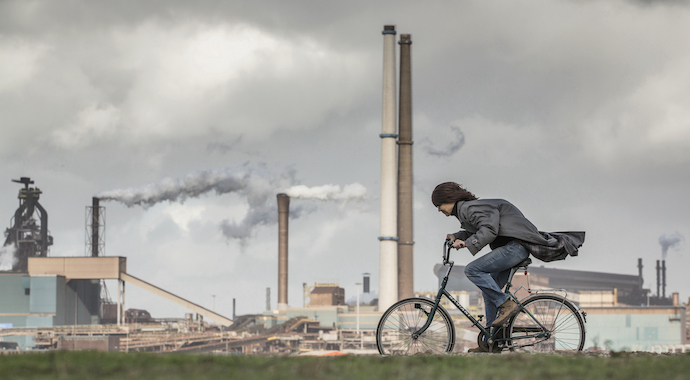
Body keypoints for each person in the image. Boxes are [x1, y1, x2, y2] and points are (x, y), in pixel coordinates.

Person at [431, 182, 584, 352]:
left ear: (449, 198)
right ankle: (492, 342)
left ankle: (506, 304)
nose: (439, 210)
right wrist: (457, 236)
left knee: (472, 270)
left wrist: (467, 243)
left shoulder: (468, 208)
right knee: (490, 289)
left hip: (514, 248)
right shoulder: (467, 210)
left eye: (439, 205)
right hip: (512, 248)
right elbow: (480, 228)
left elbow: (489, 229)